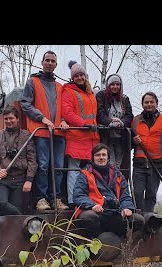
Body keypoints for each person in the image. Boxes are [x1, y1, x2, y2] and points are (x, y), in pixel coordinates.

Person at [21, 50, 69, 211]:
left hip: (58, 134)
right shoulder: (32, 82)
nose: (49, 63)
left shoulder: (60, 87)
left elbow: (65, 108)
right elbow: (25, 104)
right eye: (47, 60)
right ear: (42, 63)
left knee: (59, 167)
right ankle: (41, 199)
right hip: (41, 132)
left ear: (56, 65)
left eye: (52, 61)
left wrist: (63, 120)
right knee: (43, 165)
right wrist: (42, 118)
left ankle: (56, 198)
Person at [73, 143, 145, 242]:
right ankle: (95, 240)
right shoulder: (84, 174)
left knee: (138, 220)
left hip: (115, 212)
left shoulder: (118, 174)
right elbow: (78, 195)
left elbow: (125, 196)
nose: (101, 157)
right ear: (93, 158)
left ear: (108, 157)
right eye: (98, 155)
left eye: (103, 155)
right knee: (88, 217)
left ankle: (119, 239)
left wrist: (127, 208)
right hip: (97, 212)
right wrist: (92, 205)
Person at [131, 91, 162, 213]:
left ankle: (148, 218)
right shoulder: (135, 121)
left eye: (152, 102)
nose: (149, 104)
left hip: (157, 163)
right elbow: (128, 143)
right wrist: (133, 141)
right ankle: (138, 219)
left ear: (156, 104)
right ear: (142, 104)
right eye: (146, 102)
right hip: (139, 163)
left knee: (151, 193)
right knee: (137, 193)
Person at [61, 60, 100, 206]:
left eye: (81, 74)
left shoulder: (90, 93)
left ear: (85, 76)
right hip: (77, 135)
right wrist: (84, 124)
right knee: (73, 169)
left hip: (91, 137)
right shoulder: (68, 91)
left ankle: (89, 200)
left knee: (89, 171)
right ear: (72, 77)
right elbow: (68, 113)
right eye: (76, 75)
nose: (79, 77)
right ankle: (73, 200)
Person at [0, 106, 37, 216]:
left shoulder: (26, 136)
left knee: (13, 212)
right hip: (3, 179)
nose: (8, 121)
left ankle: (13, 222)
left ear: (17, 119)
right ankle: (20, 216)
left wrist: (29, 180)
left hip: (20, 180)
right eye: (6, 119)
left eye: (11, 118)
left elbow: (32, 159)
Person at [95, 73, 133, 169]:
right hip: (107, 135)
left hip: (121, 137)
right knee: (110, 163)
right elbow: (100, 114)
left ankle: (116, 183)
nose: (115, 87)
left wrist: (121, 122)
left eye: (117, 84)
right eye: (112, 84)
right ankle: (112, 182)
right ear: (108, 85)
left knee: (118, 164)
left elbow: (129, 116)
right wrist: (109, 122)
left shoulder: (124, 99)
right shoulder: (101, 96)